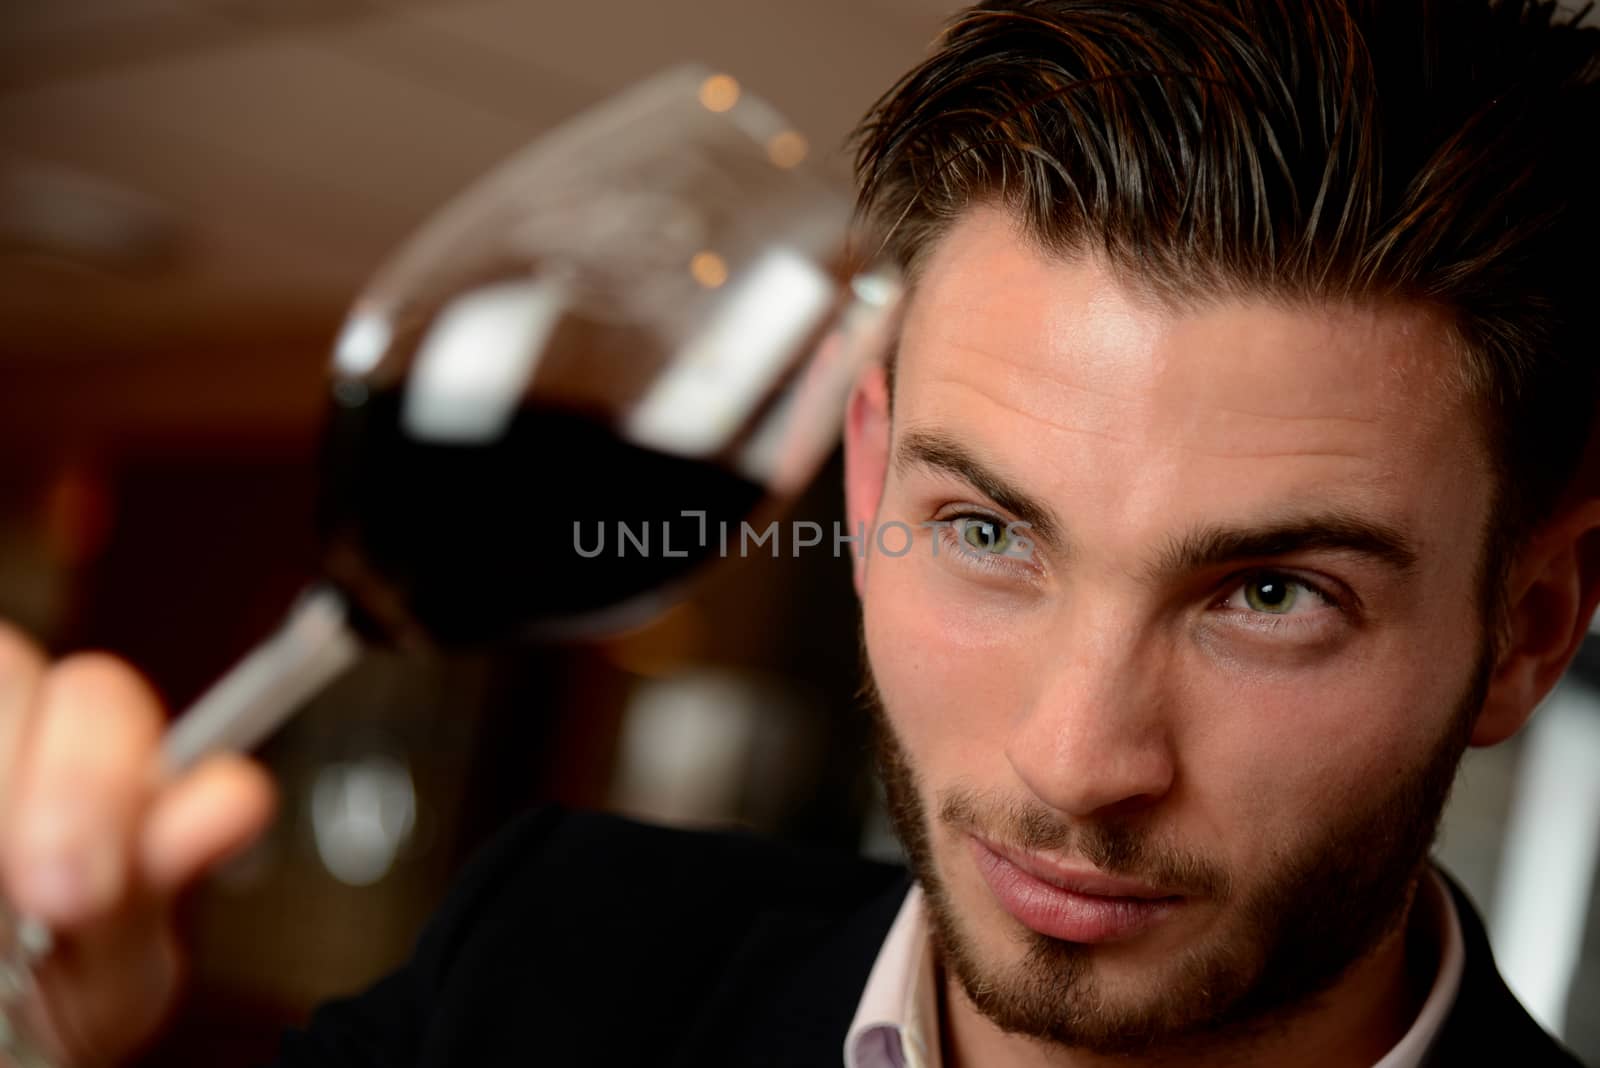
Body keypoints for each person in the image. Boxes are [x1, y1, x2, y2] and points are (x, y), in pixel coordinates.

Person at [2, 0, 1598, 1064]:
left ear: (1526, 629)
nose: (1075, 756)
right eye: (985, 532)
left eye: (1270, 590)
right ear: (868, 478)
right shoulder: (554, 969)